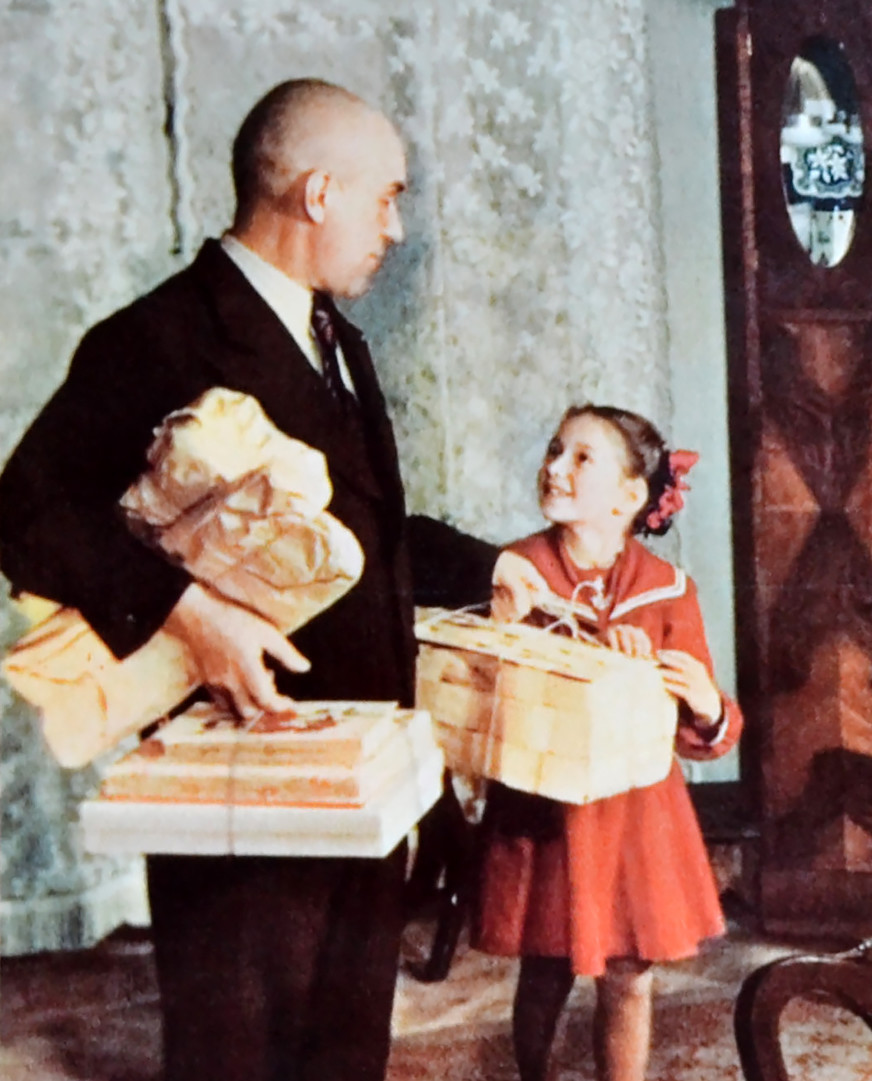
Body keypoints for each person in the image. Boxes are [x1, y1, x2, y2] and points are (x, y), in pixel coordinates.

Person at [0, 80, 496, 1080]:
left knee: (343, 1053)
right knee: (238, 1059)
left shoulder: (334, 336)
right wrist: (191, 616)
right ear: (319, 193)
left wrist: (500, 568)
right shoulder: (160, 336)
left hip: (356, 779)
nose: (395, 228)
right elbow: (23, 516)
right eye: (386, 197)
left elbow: (369, 532)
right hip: (239, 787)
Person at [481, 405, 740, 1081]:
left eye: (580, 458)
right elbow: (506, 689)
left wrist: (706, 704)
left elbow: (703, 731)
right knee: (546, 966)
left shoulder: (668, 589)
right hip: (552, 811)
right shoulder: (519, 569)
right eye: (554, 449)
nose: (554, 466)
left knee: (629, 973)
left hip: (634, 815)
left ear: (631, 496)